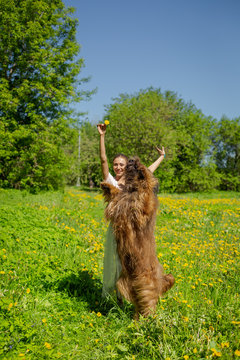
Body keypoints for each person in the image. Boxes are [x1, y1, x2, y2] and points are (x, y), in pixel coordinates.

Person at [97, 123, 165, 299]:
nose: (118, 167)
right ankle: (109, 297)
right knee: (112, 263)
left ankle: (123, 296)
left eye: (121, 165)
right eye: (116, 164)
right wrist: (102, 137)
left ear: (126, 167)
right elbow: (103, 159)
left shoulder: (132, 183)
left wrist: (162, 157)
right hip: (116, 230)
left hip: (133, 233)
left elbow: (149, 171)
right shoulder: (111, 181)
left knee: (128, 264)